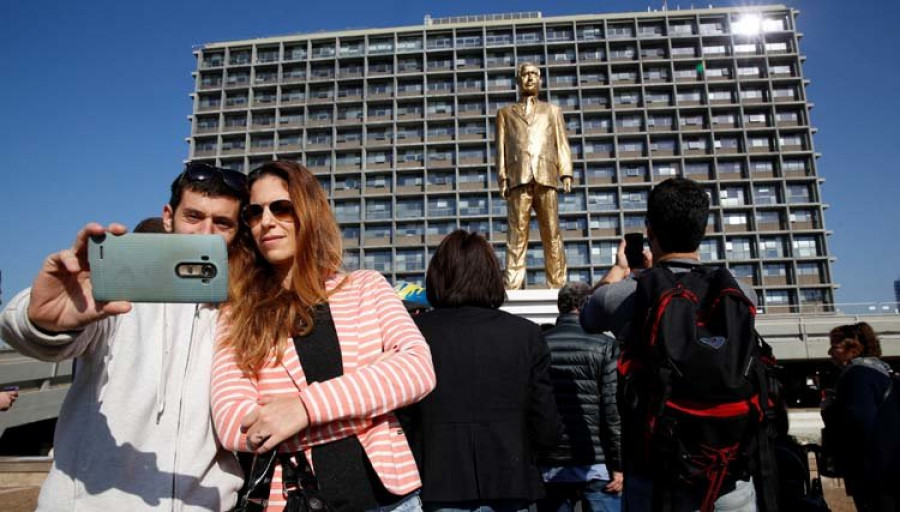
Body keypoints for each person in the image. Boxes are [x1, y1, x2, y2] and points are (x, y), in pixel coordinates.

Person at [0, 162, 248, 511]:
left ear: (236, 233)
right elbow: (39, 334)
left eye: (222, 223)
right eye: (193, 216)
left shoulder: (241, 314)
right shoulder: (118, 295)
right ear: (168, 217)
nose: (206, 232)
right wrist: (42, 319)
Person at [210, 161, 436, 512]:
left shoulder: (365, 287)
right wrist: (368, 395)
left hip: (390, 501)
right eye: (254, 213)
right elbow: (233, 423)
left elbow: (417, 370)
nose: (266, 221)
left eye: (281, 208)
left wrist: (302, 408)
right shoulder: (237, 313)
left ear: (309, 211)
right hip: (292, 500)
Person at [580, 177, 760, 512]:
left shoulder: (628, 294)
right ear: (702, 228)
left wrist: (623, 270)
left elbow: (587, 315)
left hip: (656, 476)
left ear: (650, 231)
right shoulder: (740, 294)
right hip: (727, 472)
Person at [402, 229, 562, 512]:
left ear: (437, 275)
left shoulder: (413, 334)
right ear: (492, 275)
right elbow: (546, 421)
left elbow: (403, 417)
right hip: (511, 479)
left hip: (436, 481)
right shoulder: (525, 334)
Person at [538, 282, 622, 512]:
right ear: (587, 304)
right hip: (597, 462)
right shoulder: (606, 345)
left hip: (549, 464)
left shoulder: (537, 344)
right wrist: (619, 464)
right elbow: (613, 409)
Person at [496, 62, 573, 289]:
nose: (530, 78)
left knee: (551, 233)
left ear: (539, 80)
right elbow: (500, 149)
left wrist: (566, 172)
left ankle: (557, 284)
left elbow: (562, 143)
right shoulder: (505, 114)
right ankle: (512, 284)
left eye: (534, 74)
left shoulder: (552, 111)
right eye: (525, 74)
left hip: (546, 175)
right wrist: (502, 177)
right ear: (518, 80)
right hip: (518, 176)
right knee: (516, 235)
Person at [822, 322, 899, 512]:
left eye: (836, 346)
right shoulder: (883, 372)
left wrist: (829, 411)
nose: (830, 352)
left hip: (874, 473)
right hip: (892, 468)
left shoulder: (856, 375)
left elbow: (859, 422)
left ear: (853, 348)